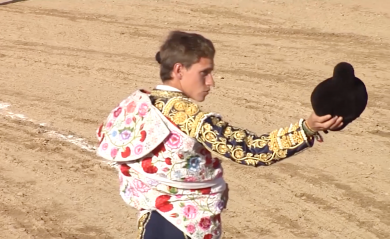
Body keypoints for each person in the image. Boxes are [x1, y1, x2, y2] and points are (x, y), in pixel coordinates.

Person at [95, 30, 343, 239]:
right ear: (179, 70)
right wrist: (307, 128)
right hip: (184, 226)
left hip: (152, 221)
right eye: (204, 72)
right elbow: (252, 150)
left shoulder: (135, 104)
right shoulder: (186, 116)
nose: (211, 81)